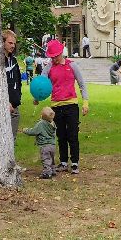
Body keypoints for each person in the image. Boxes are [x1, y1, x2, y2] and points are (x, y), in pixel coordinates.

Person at [45, 38, 89, 174]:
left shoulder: (72, 65)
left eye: (55, 56)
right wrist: (37, 97)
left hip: (71, 105)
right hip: (56, 106)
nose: (54, 59)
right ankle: (63, 162)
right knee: (61, 135)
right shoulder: (49, 67)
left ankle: (74, 162)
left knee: (72, 135)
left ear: (61, 53)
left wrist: (85, 102)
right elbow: (41, 84)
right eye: (51, 57)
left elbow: (82, 84)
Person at [23, 104, 58, 179]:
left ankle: (47, 173)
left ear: (42, 115)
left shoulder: (41, 124)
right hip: (52, 145)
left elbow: (34, 131)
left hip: (44, 146)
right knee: (51, 159)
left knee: (46, 159)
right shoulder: (53, 124)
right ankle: (53, 170)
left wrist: (25, 130)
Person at [3, 28, 22, 138]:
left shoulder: (13, 60)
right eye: (10, 43)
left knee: (12, 140)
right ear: (3, 42)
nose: (13, 46)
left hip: (15, 106)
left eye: (14, 43)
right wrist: (5, 102)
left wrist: (18, 96)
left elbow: (18, 80)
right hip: (3, 106)